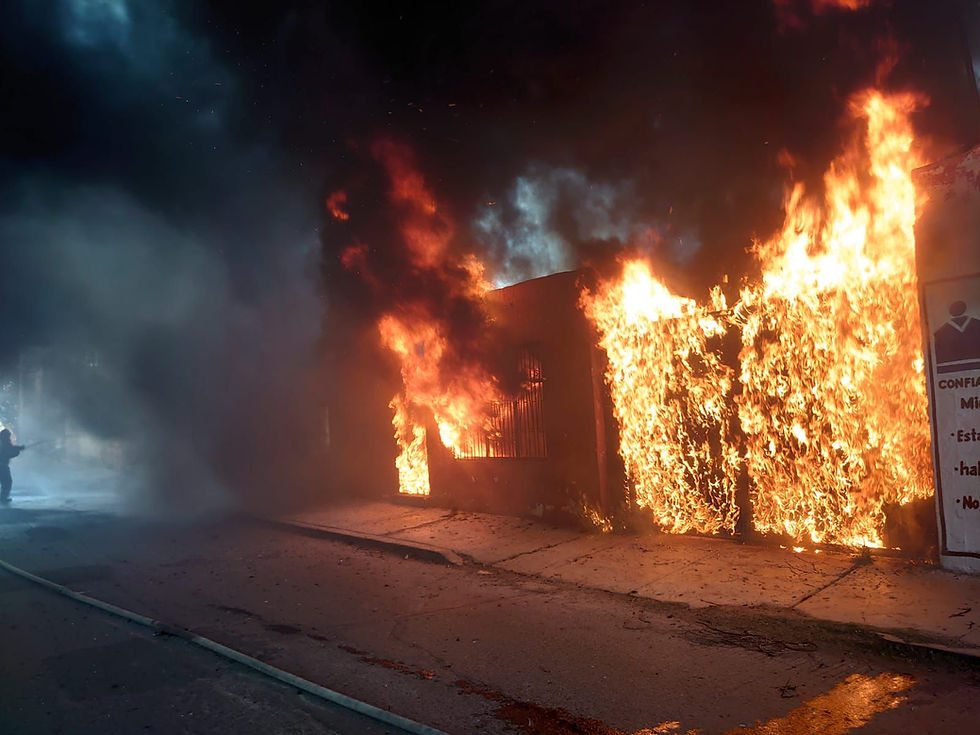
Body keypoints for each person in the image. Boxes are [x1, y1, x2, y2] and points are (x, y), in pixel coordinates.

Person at [0, 429, 26, 504]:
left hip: (2, 466)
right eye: (8, 436)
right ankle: (3, 498)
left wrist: (18, 449)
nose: (9, 437)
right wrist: (19, 449)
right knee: (7, 482)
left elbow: (10, 450)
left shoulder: (2, 442)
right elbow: (9, 452)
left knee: (6, 482)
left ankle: (3, 497)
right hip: (2, 466)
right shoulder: (4, 443)